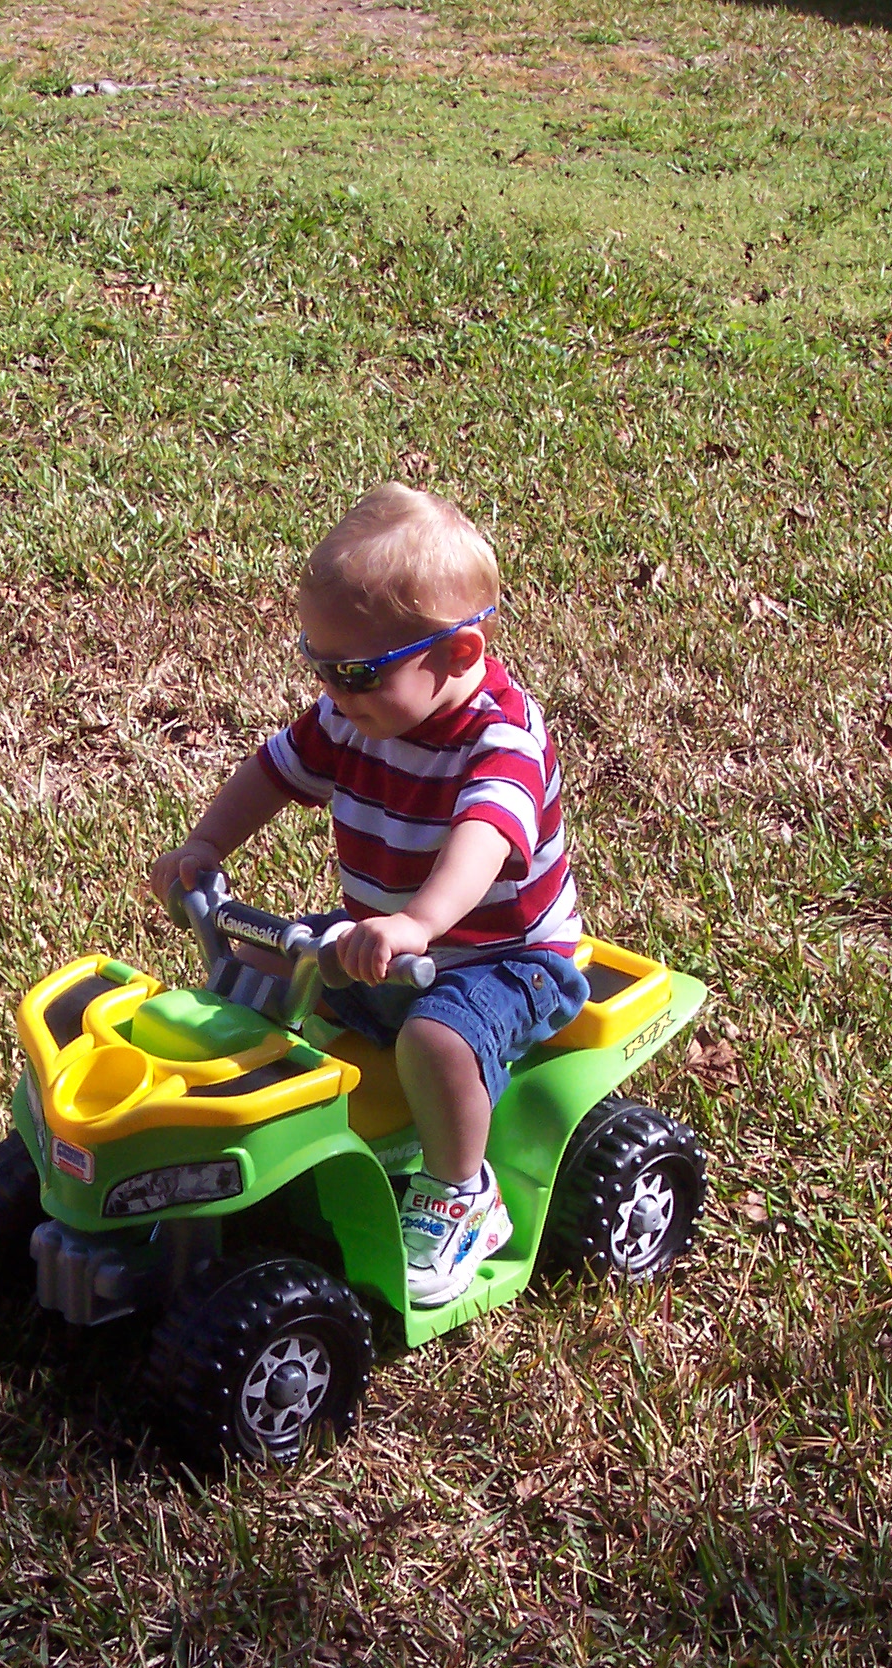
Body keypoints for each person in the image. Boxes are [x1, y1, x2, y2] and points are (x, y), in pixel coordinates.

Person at [148, 483, 587, 1308]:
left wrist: (419, 921)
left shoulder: (503, 739)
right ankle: (229, 1138)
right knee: (254, 970)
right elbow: (271, 774)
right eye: (316, 664)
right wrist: (205, 846)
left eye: (352, 671)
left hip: (504, 959)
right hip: (381, 936)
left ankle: (461, 1194)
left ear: (458, 652)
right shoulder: (354, 716)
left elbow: (482, 841)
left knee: (438, 1039)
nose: (332, 690)